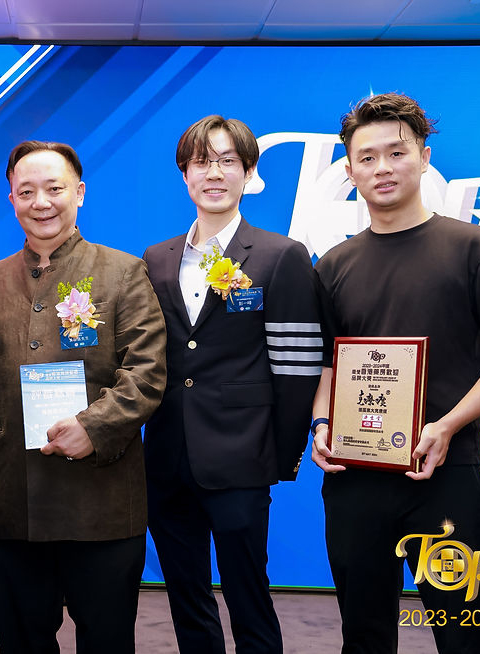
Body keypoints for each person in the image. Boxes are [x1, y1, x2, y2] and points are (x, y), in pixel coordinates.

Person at [311, 92, 480, 654]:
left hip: (446, 476)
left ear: (424, 157)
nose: (383, 168)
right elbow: (329, 363)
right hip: (355, 477)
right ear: (349, 171)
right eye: (367, 158)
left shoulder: (476, 249)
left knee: (466, 636)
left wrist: (445, 426)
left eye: (397, 153)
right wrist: (321, 423)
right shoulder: (334, 265)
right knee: (364, 636)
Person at [0, 141, 167, 653]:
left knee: (106, 642)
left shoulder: (123, 272)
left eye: (54, 189)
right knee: (21, 642)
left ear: (79, 192)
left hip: (101, 500)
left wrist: (94, 428)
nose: (41, 203)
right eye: (26, 191)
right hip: (11, 499)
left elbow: (146, 373)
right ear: (11, 199)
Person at [142, 115, 322, 653]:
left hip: (243, 457)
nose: (214, 173)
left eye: (227, 161)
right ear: (185, 174)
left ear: (249, 172)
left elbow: (298, 363)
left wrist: (279, 454)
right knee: (186, 595)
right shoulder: (156, 259)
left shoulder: (280, 255)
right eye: (202, 162)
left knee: (249, 594)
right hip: (167, 458)